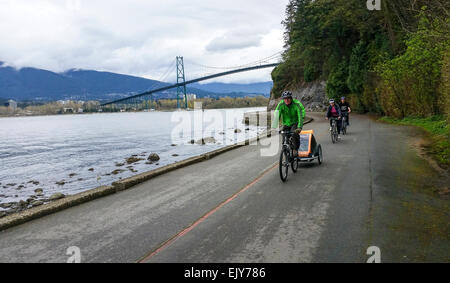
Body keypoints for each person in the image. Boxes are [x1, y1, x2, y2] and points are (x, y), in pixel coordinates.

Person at [272, 91, 306, 155]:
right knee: (284, 135)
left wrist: (299, 127)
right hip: (286, 124)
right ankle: (285, 150)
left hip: (295, 122)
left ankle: (295, 149)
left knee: (294, 134)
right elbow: (277, 115)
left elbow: (300, 116)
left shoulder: (296, 104)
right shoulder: (281, 104)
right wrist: (274, 127)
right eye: (285, 99)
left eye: (288, 98)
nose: (286, 100)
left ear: (291, 98)